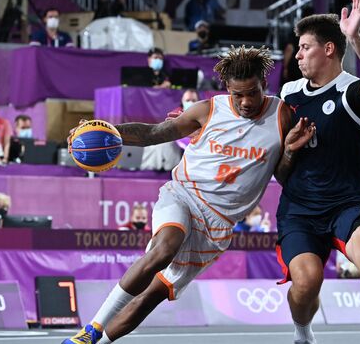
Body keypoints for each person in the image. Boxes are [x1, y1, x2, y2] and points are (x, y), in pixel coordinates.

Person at [62, 45, 314, 344]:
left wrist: (290, 152)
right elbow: (155, 133)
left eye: (252, 93)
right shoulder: (207, 110)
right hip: (183, 195)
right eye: (238, 95)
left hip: (218, 224)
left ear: (264, 85)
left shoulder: (282, 115)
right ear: (227, 89)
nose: (245, 102)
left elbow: (283, 176)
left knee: (153, 296)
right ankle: (91, 328)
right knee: (163, 249)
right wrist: (105, 130)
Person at [276, 0, 360, 344]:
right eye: (299, 48)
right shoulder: (290, 95)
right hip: (300, 207)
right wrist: (288, 150)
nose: (298, 54)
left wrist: (356, 38)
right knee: (306, 283)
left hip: (349, 203)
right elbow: (280, 173)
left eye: (305, 47)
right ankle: (303, 334)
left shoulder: (352, 93)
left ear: (329, 49)